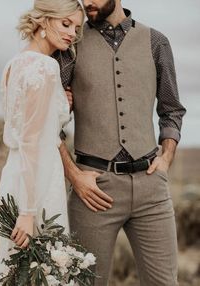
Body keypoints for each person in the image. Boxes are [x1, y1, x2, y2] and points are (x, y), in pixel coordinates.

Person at [55, 0, 186, 285]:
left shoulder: (156, 42)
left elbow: (172, 109)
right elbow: (46, 121)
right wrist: (74, 176)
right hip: (93, 189)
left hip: (151, 187)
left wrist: (166, 158)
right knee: (84, 283)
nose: (87, 1)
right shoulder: (70, 45)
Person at [0, 0, 84, 285]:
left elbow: (26, 124)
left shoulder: (15, 63)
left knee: (13, 267)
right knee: (43, 270)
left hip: (15, 172)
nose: (72, 33)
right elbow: (31, 141)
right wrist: (27, 213)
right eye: (66, 23)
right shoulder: (45, 66)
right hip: (37, 179)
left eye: (76, 27)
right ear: (43, 20)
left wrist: (61, 108)